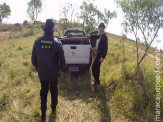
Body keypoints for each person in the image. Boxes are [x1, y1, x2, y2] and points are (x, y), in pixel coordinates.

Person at [31, 19, 66, 120]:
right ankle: (53, 108)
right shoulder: (57, 43)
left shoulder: (37, 41)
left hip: (42, 74)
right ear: (52, 30)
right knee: (54, 91)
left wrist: (39, 69)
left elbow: (33, 61)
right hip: (54, 75)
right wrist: (63, 70)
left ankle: (43, 113)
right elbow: (63, 60)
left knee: (43, 92)